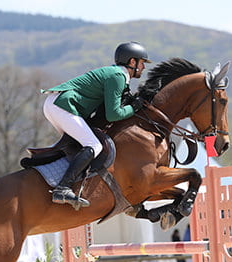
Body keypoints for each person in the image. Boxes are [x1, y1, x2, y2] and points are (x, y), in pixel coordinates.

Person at [43, 41, 151, 209]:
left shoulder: (116, 74)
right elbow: (113, 114)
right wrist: (134, 108)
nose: (143, 67)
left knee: (79, 144)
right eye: (142, 62)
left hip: (56, 104)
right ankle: (62, 188)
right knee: (93, 145)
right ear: (132, 62)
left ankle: (62, 180)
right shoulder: (118, 76)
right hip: (62, 105)